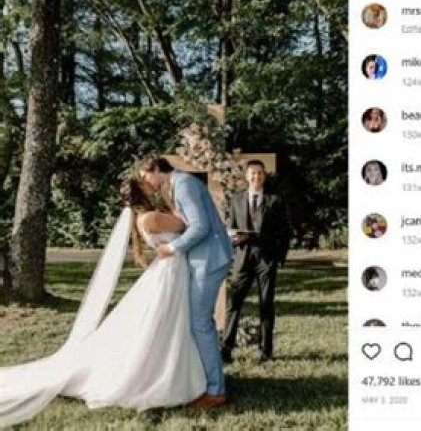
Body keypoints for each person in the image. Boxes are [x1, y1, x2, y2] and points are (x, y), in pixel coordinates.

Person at [0, 177, 214, 426]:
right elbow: (185, 224)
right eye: (146, 185)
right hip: (171, 272)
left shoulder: (144, 217)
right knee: (165, 323)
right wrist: (169, 197)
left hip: (171, 270)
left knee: (167, 322)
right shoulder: (151, 218)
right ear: (141, 192)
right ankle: (160, 376)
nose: (152, 187)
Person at [137, 155, 233, 408]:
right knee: (197, 322)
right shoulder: (177, 185)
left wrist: (171, 247)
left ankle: (216, 391)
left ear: (156, 169)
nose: (145, 181)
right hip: (204, 258)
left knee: (200, 323)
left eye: (145, 176)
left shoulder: (184, 184)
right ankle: (204, 381)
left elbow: (200, 227)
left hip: (209, 259)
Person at [222, 160, 291, 364]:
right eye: (252, 173)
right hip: (242, 258)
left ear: (264, 176)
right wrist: (234, 237)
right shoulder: (236, 199)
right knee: (234, 303)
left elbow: (285, 231)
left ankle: (266, 352)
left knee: (266, 304)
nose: (256, 177)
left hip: (266, 259)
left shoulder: (275, 200)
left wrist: (279, 257)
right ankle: (226, 349)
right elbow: (231, 226)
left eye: (260, 173)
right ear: (246, 176)